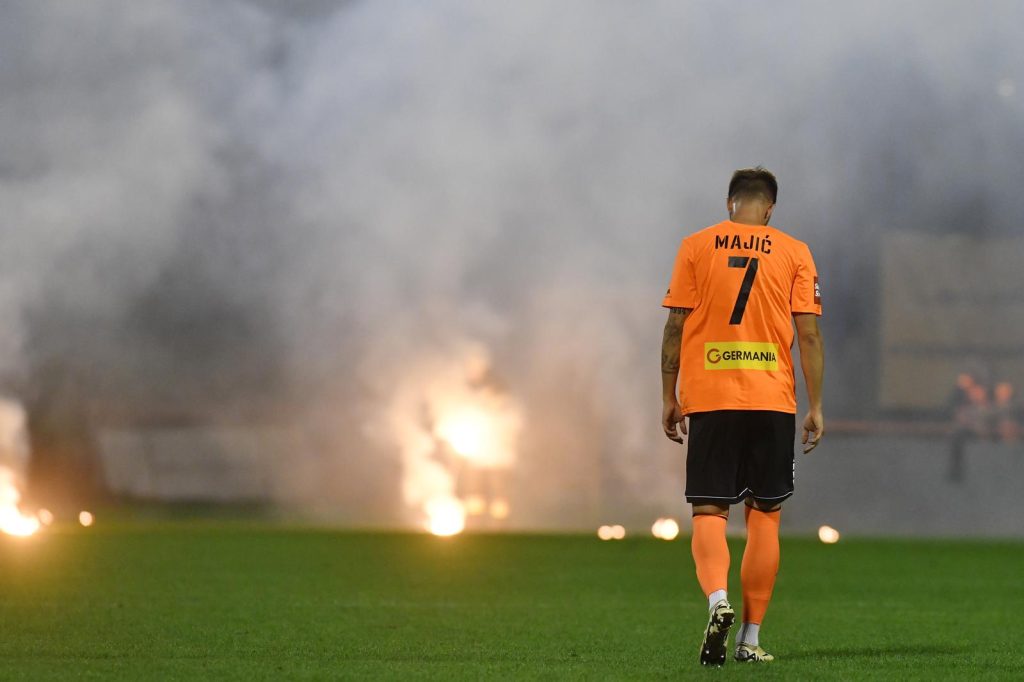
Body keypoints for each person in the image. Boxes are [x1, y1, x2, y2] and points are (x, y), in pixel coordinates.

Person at [659, 167, 824, 666]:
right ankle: (749, 640)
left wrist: (669, 395)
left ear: (729, 202)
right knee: (765, 517)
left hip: (711, 395)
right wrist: (816, 405)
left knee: (709, 511)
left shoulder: (695, 246)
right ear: (769, 209)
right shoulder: (795, 252)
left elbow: (675, 325)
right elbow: (809, 335)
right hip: (771, 398)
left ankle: (718, 601)